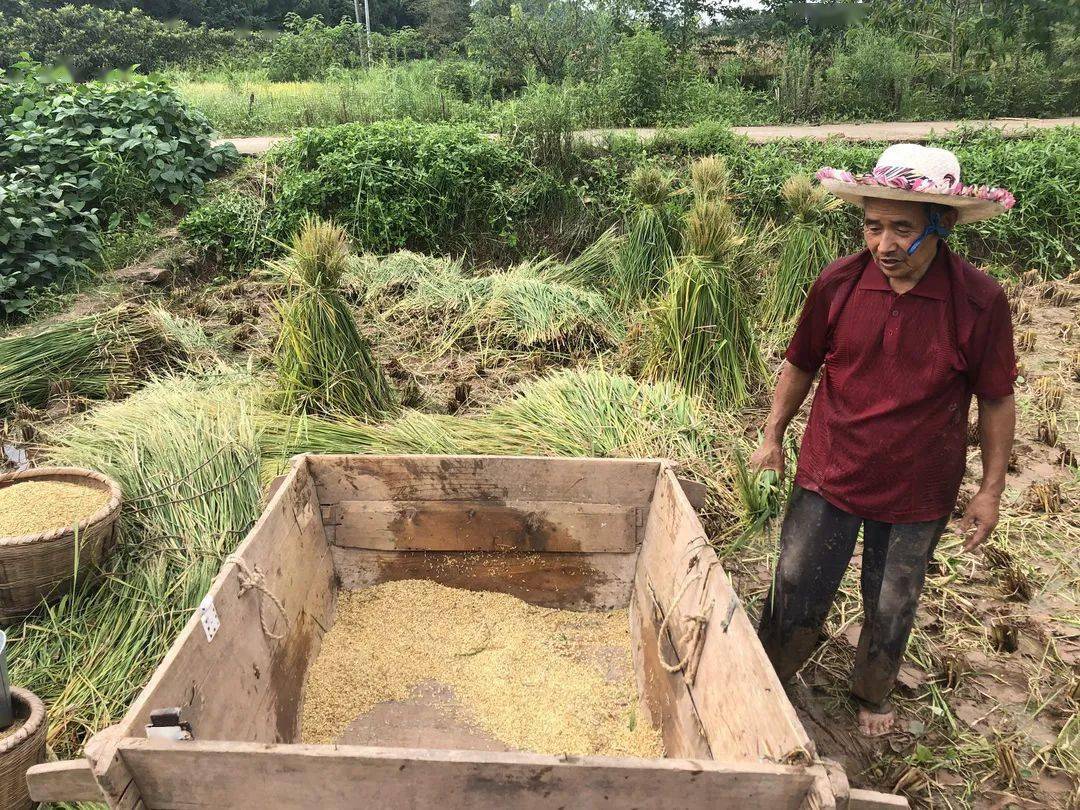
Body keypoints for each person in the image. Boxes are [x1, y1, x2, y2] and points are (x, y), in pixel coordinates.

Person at [751, 144, 1018, 737]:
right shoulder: (840, 283)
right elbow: (801, 363)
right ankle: (767, 674)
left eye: (903, 229)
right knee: (797, 581)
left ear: (941, 225)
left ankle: (871, 692)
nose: (884, 245)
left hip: (917, 485)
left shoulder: (978, 300)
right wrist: (774, 433)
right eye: (873, 227)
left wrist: (990, 491)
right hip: (831, 467)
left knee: (892, 599)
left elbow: (997, 397)